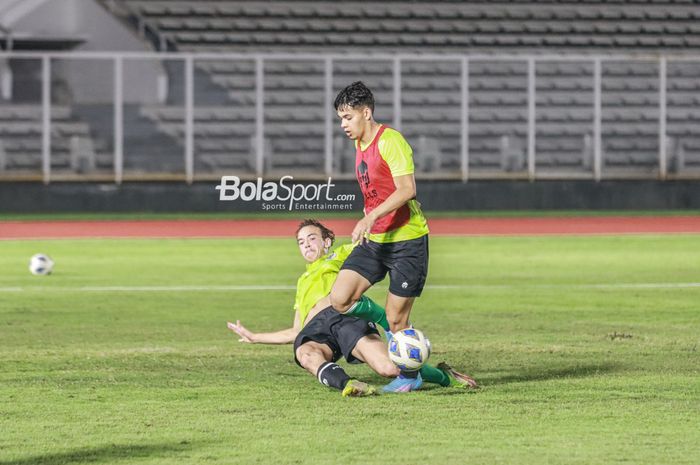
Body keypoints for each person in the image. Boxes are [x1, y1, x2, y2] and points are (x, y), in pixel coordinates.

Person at [227, 219, 477, 397]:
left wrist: (372, 225)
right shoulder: (302, 282)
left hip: (346, 319)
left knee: (389, 368)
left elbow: (370, 249)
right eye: (301, 242)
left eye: (312, 238)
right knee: (305, 354)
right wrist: (255, 337)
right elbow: (296, 330)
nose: (306, 245)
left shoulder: (342, 256)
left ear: (327, 242)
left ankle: (445, 376)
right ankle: (350, 385)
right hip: (316, 331)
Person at [329, 81, 431, 391]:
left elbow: (407, 189)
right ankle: (388, 323)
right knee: (340, 298)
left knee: (399, 320)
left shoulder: (390, 141)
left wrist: (370, 216)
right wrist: (370, 217)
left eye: (348, 117)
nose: (343, 125)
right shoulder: (359, 143)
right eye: (341, 119)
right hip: (376, 240)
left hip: (407, 241)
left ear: (366, 112)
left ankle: (410, 377)